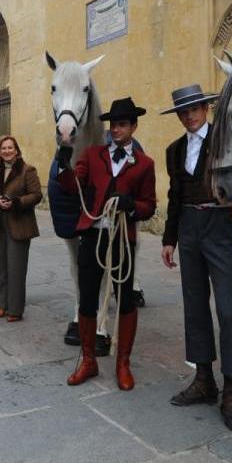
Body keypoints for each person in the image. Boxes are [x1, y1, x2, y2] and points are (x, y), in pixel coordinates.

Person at [160, 83, 232, 432]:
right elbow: (174, 195)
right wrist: (169, 239)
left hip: (219, 225)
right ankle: (203, 379)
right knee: (194, 305)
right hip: (188, 228)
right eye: (183, 111)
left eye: (194, 109)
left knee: (228, 309)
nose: (189, 115)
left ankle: (231, 390)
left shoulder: (227, 142)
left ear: (206, 109)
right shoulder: (174, 149)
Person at [57, 97, 156, 391]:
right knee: (87, 299)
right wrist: (64, 168)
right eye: (113, 124)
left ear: (133, 127)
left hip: (122, 239)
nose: (116, 129)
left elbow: (149, 205)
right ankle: (88, 360)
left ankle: (122, 362)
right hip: (93, 233)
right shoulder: (92, 154)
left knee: (125, 300)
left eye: (122, 124)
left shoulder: (145, 164)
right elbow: (74, 185)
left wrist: (130, 204)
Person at [0, 135, 42, 322]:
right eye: (3, 148)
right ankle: (1, 305)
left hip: (19, 225)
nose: (7, 151)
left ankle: (15, 309)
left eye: (10, 148)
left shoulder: (27, 170)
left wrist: (15, 202)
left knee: (16, 269)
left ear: (16, 150)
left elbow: (36, 195)